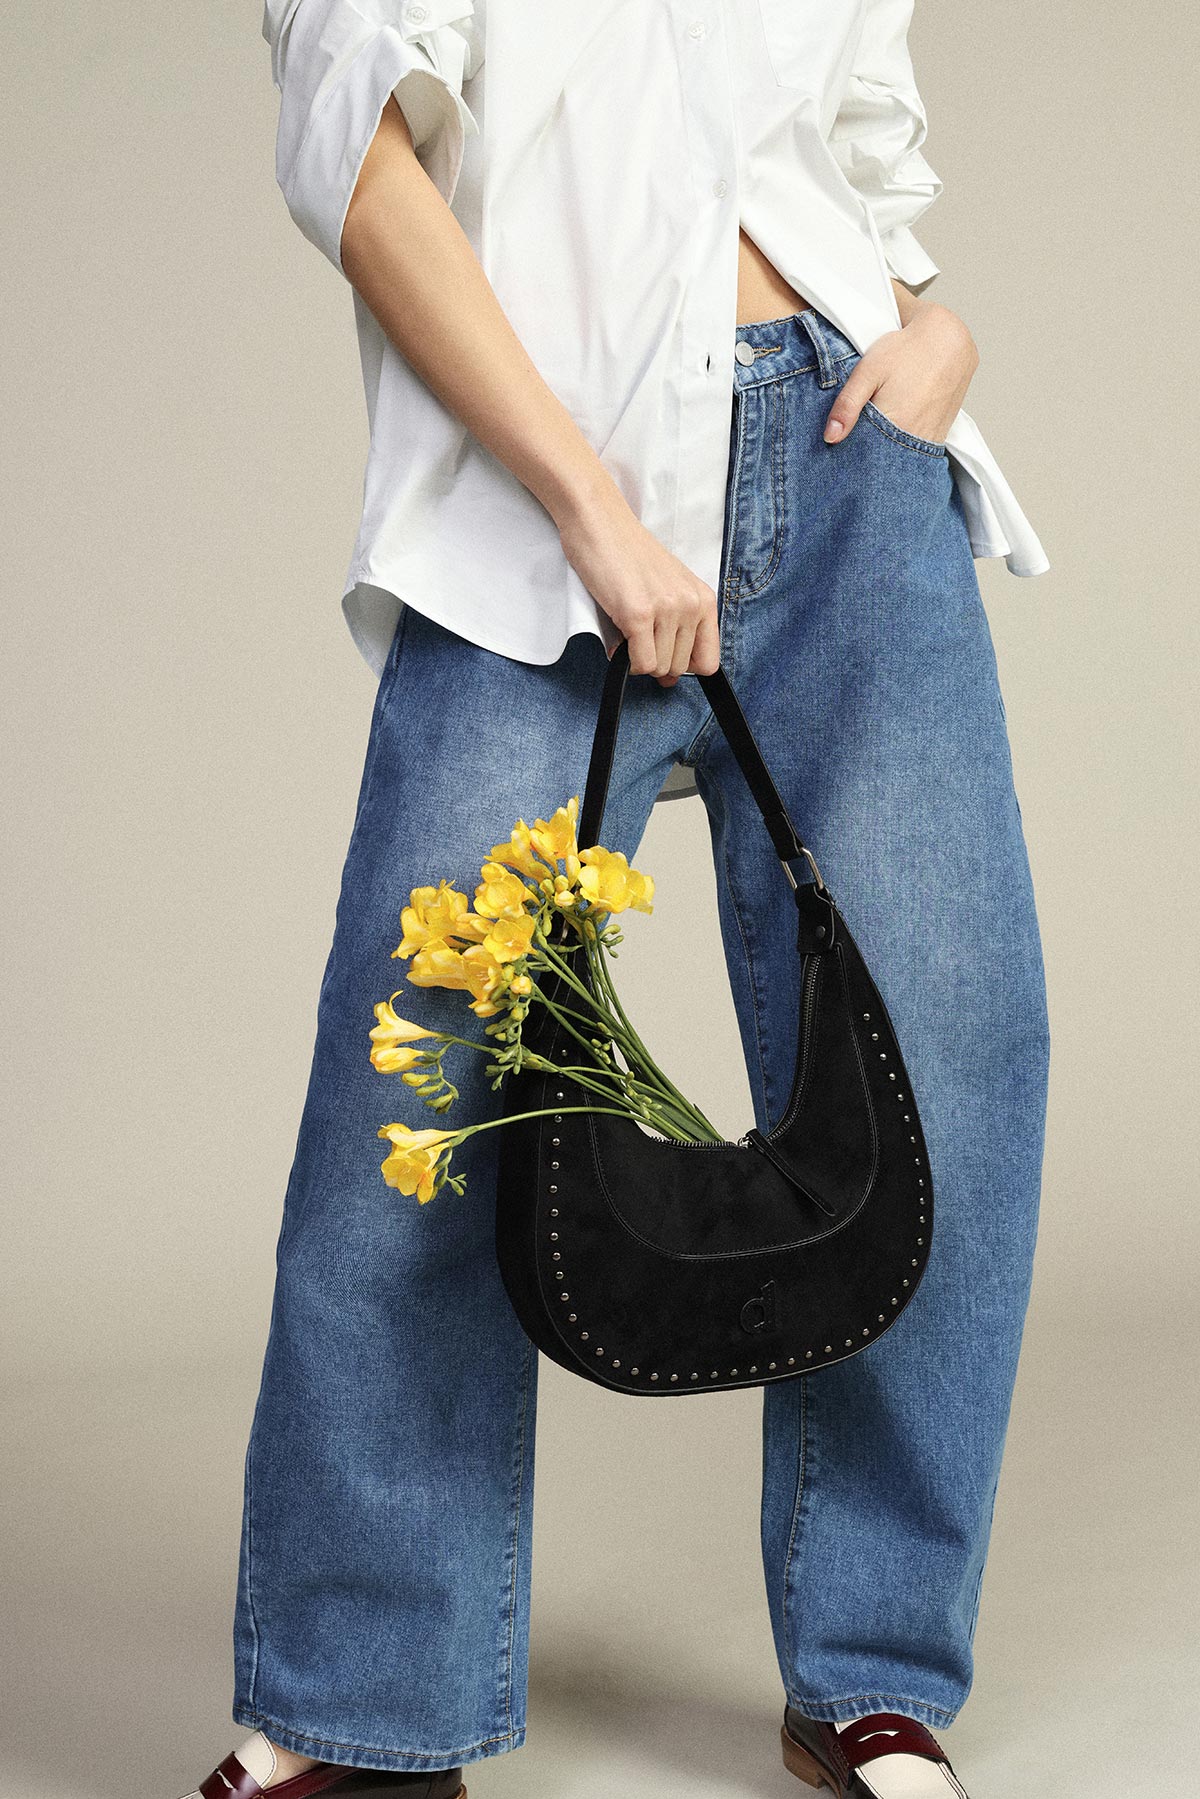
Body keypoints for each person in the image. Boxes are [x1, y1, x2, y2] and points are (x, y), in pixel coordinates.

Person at [178, 4, 1050, 1796]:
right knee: (419, 1099)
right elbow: (354, 157)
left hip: (839, 466)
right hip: (535, 507)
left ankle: (876, 1666)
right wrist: (589, 502)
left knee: (951, 1062)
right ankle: (363, 1701)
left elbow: (855, 157)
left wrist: (938, 329)